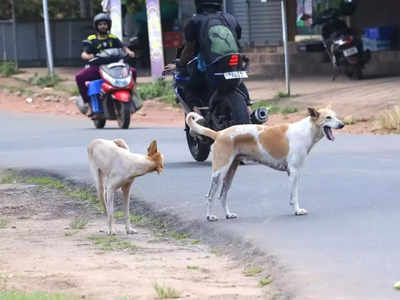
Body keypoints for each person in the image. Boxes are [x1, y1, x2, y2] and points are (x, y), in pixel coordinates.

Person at [165, 0, 251, 106]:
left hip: (211, 67)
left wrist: (180, 64)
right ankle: (249, 109)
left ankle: (197, 113)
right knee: (238, 83)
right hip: (235, 63)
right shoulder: (230, 19)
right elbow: (237, 37)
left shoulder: (195, 21)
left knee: (189, 87)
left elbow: (189, 51)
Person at [75, 13, 136, 115]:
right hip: (97, 67)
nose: (103, 26)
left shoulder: (113, 37)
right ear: (96, 26)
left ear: (108, 25)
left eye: (105, 24)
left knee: (132, 71)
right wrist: (89, 56)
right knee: (79, 77)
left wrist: (129, 52)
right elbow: (84, 53)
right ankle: (88, 104)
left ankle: (132, 97)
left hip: (114, 67)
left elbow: (123, 47)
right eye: (100, 24)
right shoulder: (91, 39)